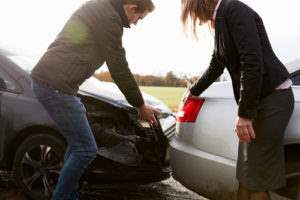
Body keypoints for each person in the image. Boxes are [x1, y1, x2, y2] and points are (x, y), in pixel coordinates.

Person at [31, 0, 158, 199]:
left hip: (55, 84)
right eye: (139, 18)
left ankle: (69, 196)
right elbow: (118, 67)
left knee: (77, 145)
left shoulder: (100, 9)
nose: (135, 23)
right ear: (132, 7)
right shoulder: (109, 18)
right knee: (86, 149)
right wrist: (140, 105)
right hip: (55, 86)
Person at [181, 0, 294, 199]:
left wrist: (245, 114)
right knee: (246, 174)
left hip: (272, 101)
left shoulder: (234, 10)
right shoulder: (223, 18)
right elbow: (217, 63)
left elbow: (252, 62)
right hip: (260, 101)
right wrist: (194, 90)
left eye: (190, 10)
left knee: (255, 179)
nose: (194, 18)